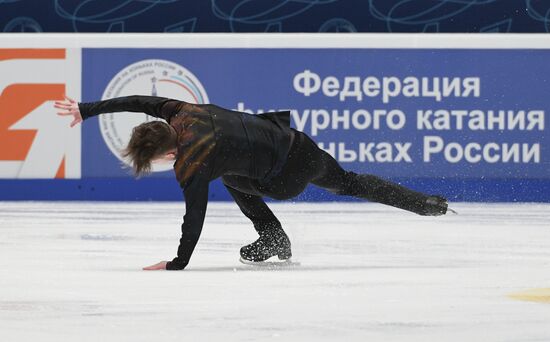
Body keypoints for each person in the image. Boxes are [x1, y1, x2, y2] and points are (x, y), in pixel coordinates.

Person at [55, 95, 449, 271]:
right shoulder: (178, 110)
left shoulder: (193, 161)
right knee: (350, 182)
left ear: (163, 154)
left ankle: (272, 235)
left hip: (284, 178)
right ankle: (427, 203)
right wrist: (87, 110)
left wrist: (177, 263)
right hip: (300, 145)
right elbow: (139, 99)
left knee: (227, 175)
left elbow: (194, 216)